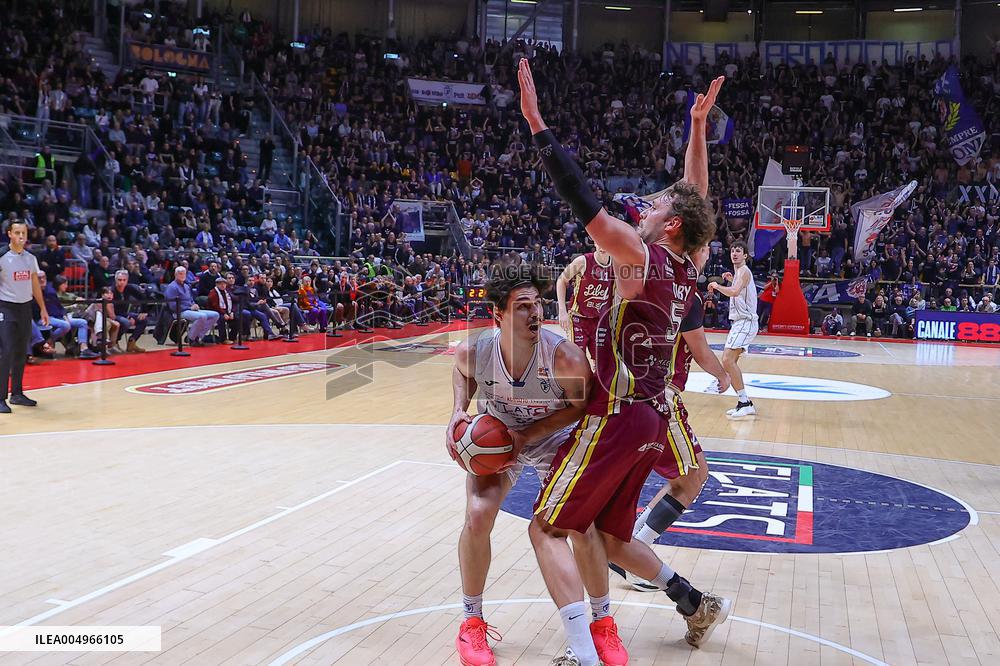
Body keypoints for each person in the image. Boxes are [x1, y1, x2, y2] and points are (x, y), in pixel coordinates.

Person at [520, 59, 728, 665]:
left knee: (545, 528)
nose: (647, 205)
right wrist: (696, 129)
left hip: (615, 413)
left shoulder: (637, 253)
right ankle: (692, 601)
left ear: (669, 228)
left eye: (657, 205)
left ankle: (583, 656)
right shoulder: (688, 265)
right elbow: (698, 201)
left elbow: (580, 197)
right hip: (648, 420)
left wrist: (537, 125)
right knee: (608, 537)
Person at [445, 265, 594, 666]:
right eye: (523, 306)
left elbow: (580, 407)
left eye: (539, 304)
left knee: (577, 523)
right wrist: (458, 412)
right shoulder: (473, 351)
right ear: (498, 315)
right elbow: (461, 372)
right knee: (477, 515)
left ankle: (600, 623)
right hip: (498, 433)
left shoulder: (564, 357)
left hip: (552, 435)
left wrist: (527, 437)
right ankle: (471, 621)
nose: (535, 314)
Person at [611, 246, 731, 591]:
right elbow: (700, 350)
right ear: (694, 251)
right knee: (693, 477)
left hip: (630, 389)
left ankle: (631, 544)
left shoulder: (646, 282)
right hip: (658, 393)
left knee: (678, 479)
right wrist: (723, 376)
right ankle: (636, 556)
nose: (708, 252)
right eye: (705, 246)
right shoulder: (683, 294)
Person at [0, 221, 49, 412]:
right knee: (5, 353)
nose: (21, 236)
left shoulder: (30, 258)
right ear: (9, 234)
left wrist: (43, 308)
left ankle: (17, 394)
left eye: (24, 233)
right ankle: (0, 397)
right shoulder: (2, 256)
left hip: (24, 308)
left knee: (21, 352)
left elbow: (35, 284)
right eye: (17, 232)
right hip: (5, 308)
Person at [708, 241, 758, 417]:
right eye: (733, 251)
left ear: (745, 255)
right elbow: (740, 290)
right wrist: (730, 280)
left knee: (728, 360)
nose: (735, 253)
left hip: (746, 321)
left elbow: (735, 292)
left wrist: (717, 286)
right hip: (739, 322)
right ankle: (745, 402)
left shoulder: (744, 271)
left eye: (739, 251)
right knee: (729, 361)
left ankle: (744, 402)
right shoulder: (738, 273)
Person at [556, 245, 612, 364]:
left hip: (599, 320)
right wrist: (562, 311)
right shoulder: (583, 261)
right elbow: (561, 280)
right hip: (578, 317)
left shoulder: (616, 264)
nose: (602, 245)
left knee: (601, 363)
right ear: (594, 242)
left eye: (605, 241)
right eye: (598, 241)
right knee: (577, 361)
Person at [163, 266, 219, 346]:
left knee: (215, 315)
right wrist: (189, 307)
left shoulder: (187, 286)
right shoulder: (172, 287)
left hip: (190, 309)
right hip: (180, 311)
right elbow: (173, 306)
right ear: (175, 275)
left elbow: (191, 299)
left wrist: (194, 304)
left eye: (184, 274)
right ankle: (191, 338)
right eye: (180, 274)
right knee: (202, 316)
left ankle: (197, 336)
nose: (182, 276)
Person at [111, 270, 148, 352]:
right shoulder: (112, 290)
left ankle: (132, 341)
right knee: (125, 322)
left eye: (124, 280)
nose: (122, 282)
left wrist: (143, 311)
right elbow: (113, 310)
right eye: (120, 280)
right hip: (113, 314)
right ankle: (115, 342)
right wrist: (128, 317)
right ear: (116, 280)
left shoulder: (129, 288)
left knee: (143, 320)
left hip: (125, 313)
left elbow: (143, 297)